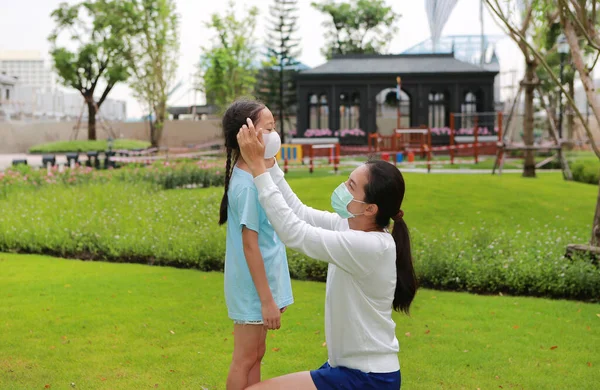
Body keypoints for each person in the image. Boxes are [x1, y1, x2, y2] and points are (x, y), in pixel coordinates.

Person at [237, 118, 418, 390]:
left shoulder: (369, 246)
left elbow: (294, 232)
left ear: (370, 209)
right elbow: (299, 212)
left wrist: (258, 169)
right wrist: (271, 163)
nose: (343, 189)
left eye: (351, 187)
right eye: (347, 181)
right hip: (350, 370)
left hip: (367, 378)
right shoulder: (349, 225)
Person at [219, 99, 294, 390]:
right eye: (270, 128)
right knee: (245, 358)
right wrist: (267, 301)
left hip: (257, 284)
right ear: (247, 133)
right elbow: (250, 245)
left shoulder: (253, 173)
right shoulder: (247, 184)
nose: (275, 135)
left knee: (256, 355)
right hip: (253, 289)